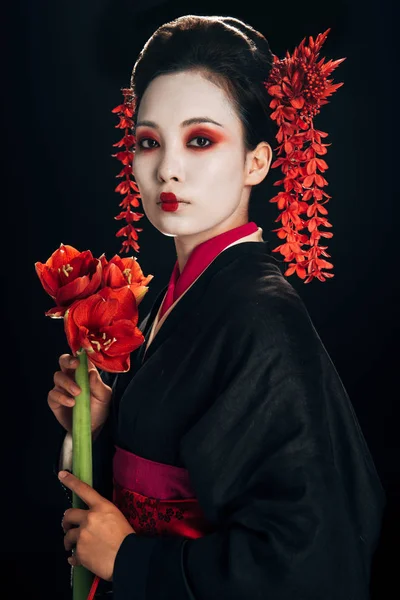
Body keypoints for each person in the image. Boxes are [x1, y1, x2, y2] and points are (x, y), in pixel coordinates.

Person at [49, 15, 386, 600]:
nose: (167, 169)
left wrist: (131, 558)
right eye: (150, 141)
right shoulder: (177, 298)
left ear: (258, 161)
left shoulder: (259, 315)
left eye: (200, 140)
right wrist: (97, 425)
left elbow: (309, 556)